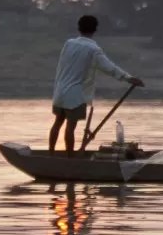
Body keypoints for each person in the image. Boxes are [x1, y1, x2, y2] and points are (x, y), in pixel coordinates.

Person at [49, 15, 144, 154]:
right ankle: (69, 159)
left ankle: (51, 153)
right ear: (95, 30)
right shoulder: (93, 50)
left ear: (78, 28)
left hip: (59, 92)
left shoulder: (68, 44)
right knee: (70, 127)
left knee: (57, 123)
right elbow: (109, 68)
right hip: (75, 95)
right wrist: (129, 78)